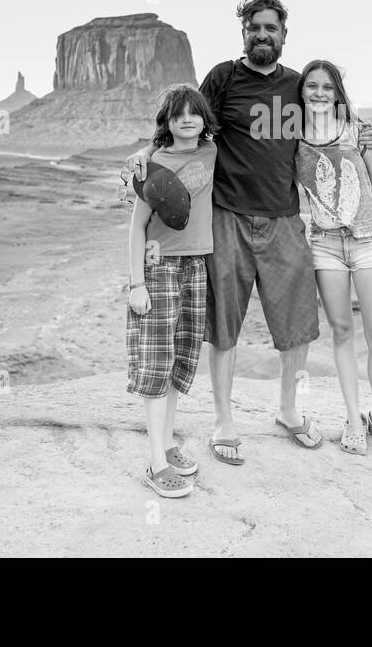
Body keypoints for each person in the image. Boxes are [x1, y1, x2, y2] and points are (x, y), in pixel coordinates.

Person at [126, 0, 372, 465]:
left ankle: (287, 410)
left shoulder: (296, 84)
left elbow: (334, 116)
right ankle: (224, 421)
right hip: (227, 218)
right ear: (243, 32)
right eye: (254, 27)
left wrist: (366, 132)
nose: (262, 35)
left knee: (297, 326)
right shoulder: (223, 78)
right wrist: (146, 154)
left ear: (284, 34)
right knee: (223, 327)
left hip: (285, 219)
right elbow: (189, 127)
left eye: (272, 28)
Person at [295, 60, 372, 455]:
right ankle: (353, 417)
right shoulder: (293, 139)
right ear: (302, 92)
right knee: (341, 333)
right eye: (312, 86)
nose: (320, 93)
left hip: (369, 241)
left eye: (327, 87)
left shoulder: (359, 132)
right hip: (325, 244)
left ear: (337, 92)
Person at [125, 84, 218, 497]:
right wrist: (136, 284)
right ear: (166, 122)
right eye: (177, 114)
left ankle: (167, 441)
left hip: (196, 266)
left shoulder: (213, 152)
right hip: (158, 268)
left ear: (204, 119)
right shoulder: (153, 165)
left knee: (181, 356)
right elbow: (136, 228)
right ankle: (155, 461)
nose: (186, 119)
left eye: (193, 112)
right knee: (157, 361)